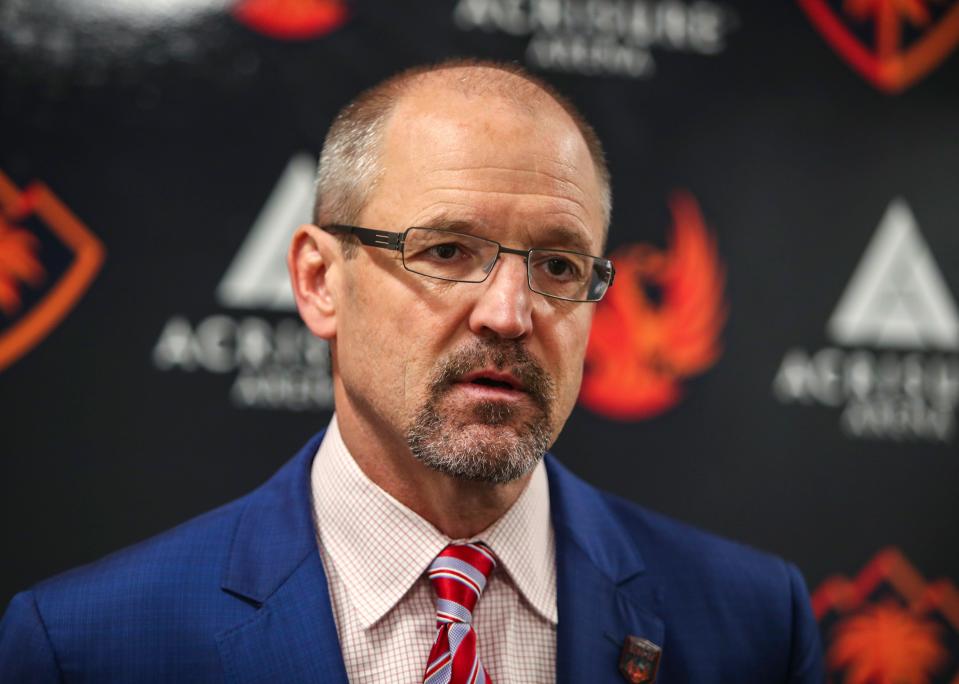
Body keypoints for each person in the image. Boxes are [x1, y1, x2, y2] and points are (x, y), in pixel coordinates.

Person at [0, 59, 824, 683]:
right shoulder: (89, 643)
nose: (508, 313)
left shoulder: (750, 623)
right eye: (446, 251)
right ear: (321, 281)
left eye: (560, 267)